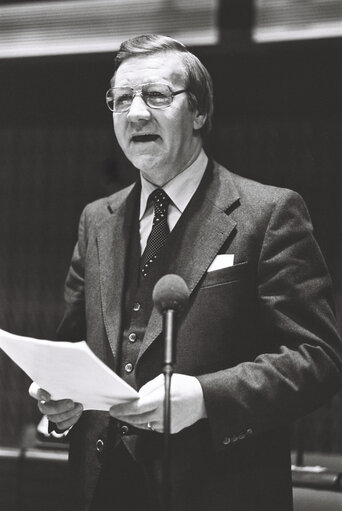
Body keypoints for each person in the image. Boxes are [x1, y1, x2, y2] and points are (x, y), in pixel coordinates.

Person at [31, 34, 342, 511]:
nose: (136, 113)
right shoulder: (97, 219)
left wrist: (203, 396)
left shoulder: (269, 212)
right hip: (101, 488)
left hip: (219, 490)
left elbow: (318, 358)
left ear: (198, 113)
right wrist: (60, 404)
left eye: (157, 96)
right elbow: (75, 345)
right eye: (121, 99)